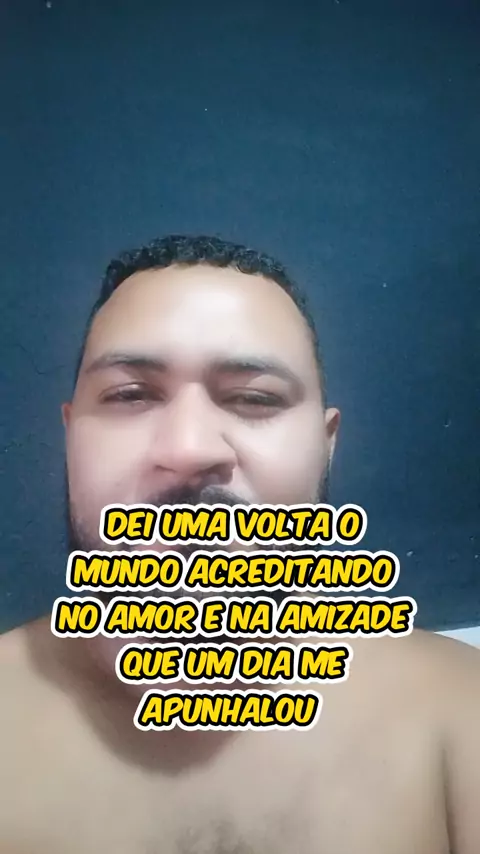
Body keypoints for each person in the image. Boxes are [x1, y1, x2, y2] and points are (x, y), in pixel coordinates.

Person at [0, 234, 478, 854]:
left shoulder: (458, 709)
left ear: (326, 444)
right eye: (130, 394)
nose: (190, 449)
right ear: (70, 436)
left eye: (255, 398)